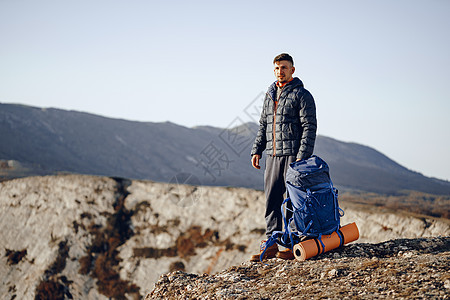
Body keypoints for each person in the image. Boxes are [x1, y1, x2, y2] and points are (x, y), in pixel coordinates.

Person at [250, 53, 317, 261]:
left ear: (292, 70)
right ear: (274, 70)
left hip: (293, 157)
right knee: (271, 200)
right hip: (272, 156)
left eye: (285, 68)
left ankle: (290, 245)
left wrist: (302, 156)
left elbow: (309, 127)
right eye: (277, 68)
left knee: (290, 201)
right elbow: (264, 125)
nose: (281, 71)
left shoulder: (302, 95)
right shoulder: (269, 95)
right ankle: (271, 245)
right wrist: (257, 150)